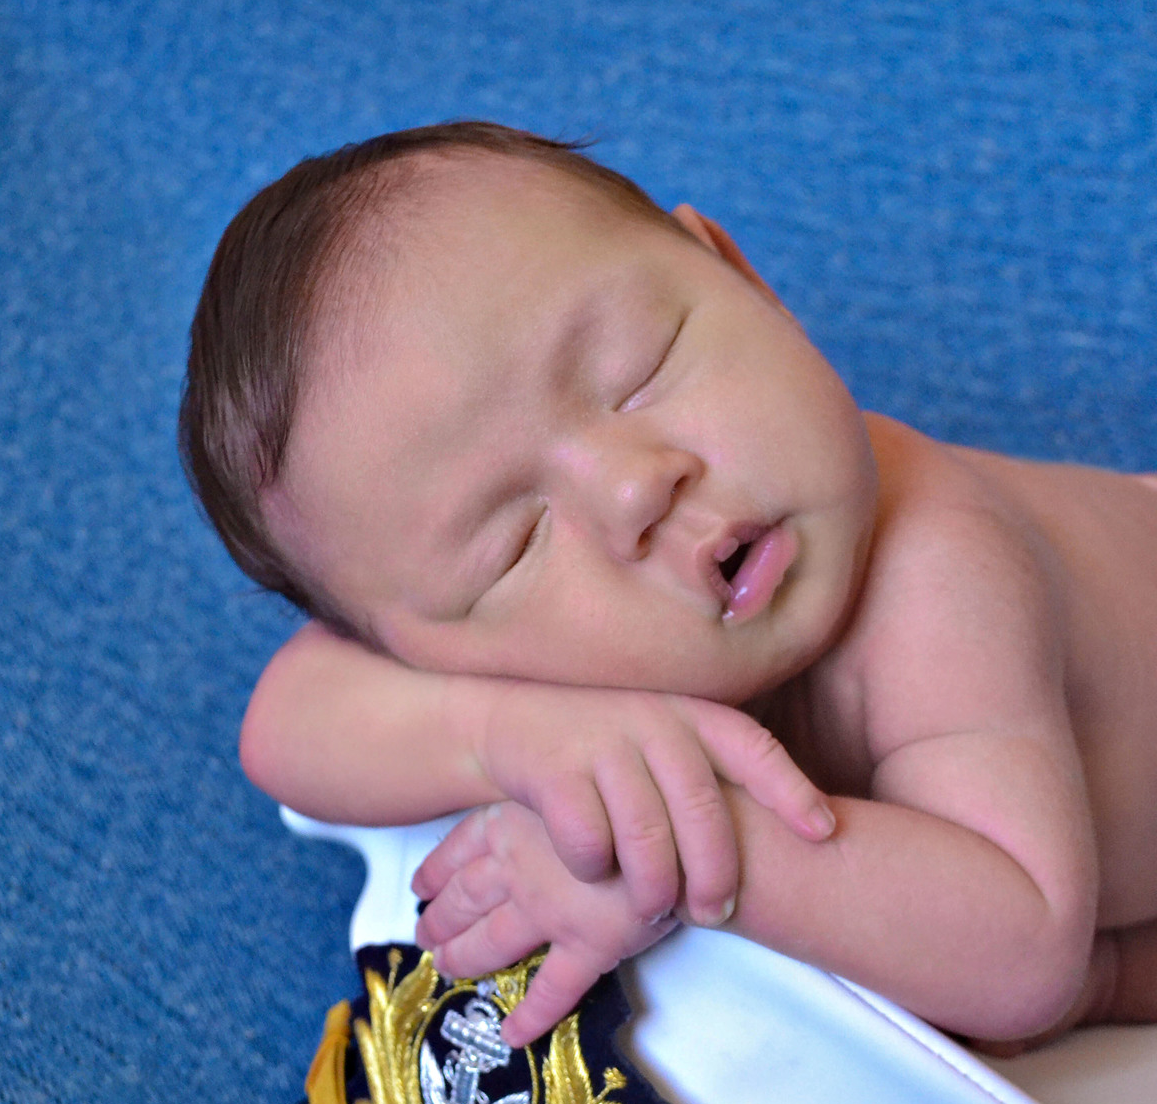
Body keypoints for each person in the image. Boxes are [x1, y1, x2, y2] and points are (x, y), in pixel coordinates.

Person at [180, 121, 1157, 1055]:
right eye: (514, 545)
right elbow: (284, 725)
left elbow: (1020, 949)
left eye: (637, 370)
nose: (636, 484)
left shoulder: (939, 568)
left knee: (1021, 1003)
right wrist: (519, 742)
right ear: (420, 652)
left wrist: (671, 842)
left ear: (741, 274)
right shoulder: (502, 657)